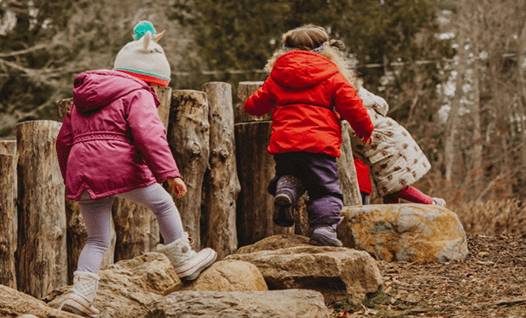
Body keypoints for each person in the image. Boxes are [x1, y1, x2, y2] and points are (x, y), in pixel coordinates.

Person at [56, 21, 217, 318]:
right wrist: (170, 172)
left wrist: (72, 179)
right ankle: (184, 261)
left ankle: (80, 295)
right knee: (163, 203)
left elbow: (64, 140)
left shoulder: (81, 100)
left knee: (97, 239)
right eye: (156, 85)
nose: (155, 91)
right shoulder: (137, 92)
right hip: (118, 165)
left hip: (84, 172)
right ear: (147, 77)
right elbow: (148, 134)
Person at [243, 24, 374, 247]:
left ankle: (286, 190)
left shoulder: (277, 76)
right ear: (325, 49)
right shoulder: (332, 75)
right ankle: (324, 229)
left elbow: (253, 106)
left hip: (286, 144)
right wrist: (365, 129)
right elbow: (352, 106)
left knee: (290, 173)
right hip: (319, 146)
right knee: (324, 189)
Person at [350, 86, 447, 207]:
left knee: (395, 185)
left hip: (385, 145)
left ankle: (431, 203)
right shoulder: (363, 96)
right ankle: (393, 217)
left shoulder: (351, 103)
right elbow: (382, 105)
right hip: (390, 139)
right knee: (389, 188)